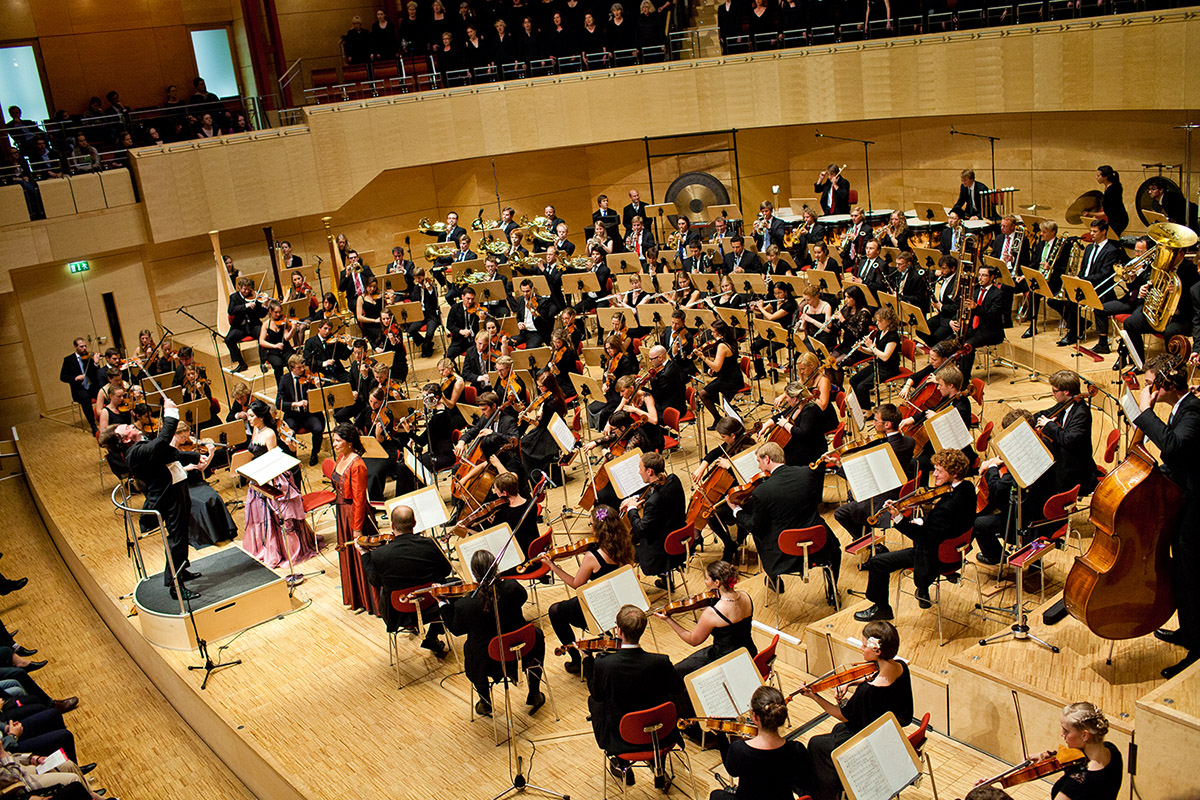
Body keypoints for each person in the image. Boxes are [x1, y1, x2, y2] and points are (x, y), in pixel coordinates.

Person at [98, 399, 211, 600]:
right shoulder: (136, 453)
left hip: (176, 488)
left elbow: (169, 453)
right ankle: (176, 586)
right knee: (177, 538)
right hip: (169, 496)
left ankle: (180, 570)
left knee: (180, 534)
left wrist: (194, 456)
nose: (131, 424)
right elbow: (162, 442)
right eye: (127, 427)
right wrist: (170, 414)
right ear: (124, 439)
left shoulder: (140, 447)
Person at [1134, 354, 1200, 679]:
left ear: (1167, 385)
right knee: (1184, 574)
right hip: (1184, 501)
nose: (1147, 390)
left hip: (1196, 510)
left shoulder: (1194, 411)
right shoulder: (1181, 408)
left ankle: (1197, 646)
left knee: (1193, 576)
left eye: (1150, 385)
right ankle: (1188, 631)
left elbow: (1174, 447)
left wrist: (1145, 412)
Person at [854, 448, 975, 621]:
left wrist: (898, 517)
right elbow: (950, 522)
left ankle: (882, 608)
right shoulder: (968, 488)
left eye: (939, 471)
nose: (934, 475)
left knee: (877, 562)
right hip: (957, 551)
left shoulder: (947, 507)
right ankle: (923, 590)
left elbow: (921, 537)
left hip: (934, 558)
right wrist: (925, 520)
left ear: (954, 473)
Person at [799, 621, 913, 800]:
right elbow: (876, 680)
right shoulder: (900, 667)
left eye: (864, 644)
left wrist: (814, 696)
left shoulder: (867, 692)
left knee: (816, 744)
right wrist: (850, 681)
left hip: (866, 740)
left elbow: (840, 714)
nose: (861, 647)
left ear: (877, 650)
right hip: (886, 732)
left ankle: (828, 793)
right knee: (835, 733)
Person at [588, 605, 688, 786]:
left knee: (595, 702)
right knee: (666, 699)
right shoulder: (661, 661)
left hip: (623, 738)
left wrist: (587, 660)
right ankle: (659, 767)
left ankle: (620, 761)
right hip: (660, 733)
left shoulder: (604, 664)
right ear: (643, 630)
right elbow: (678, 688)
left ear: (618, 630)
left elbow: (597, 694)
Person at [442, 549, 546, 717]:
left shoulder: (465, 605)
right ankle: (534, 692)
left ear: (474, 573)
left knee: (470, 648)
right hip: (523, 652)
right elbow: (523, 598)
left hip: (490, 664)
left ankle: (485, 701)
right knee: (537, 634)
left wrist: (443, 604)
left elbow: (456, 629)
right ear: (496, 567)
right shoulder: (512, 587)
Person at [728, 442, 839, 600]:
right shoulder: (807, 473)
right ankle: (833, 593)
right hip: (819, 545)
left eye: (759, 462)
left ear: (767, 459)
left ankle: (774, 579)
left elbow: (756, 527)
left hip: (785, 554)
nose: (759, 467)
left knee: (759, 535)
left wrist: (736, 510)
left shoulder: (762, 491)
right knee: (834, 546)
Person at [545, 505, 635, 673]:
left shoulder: (592, 557)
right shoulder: (625, 546)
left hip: (598, 609)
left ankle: (577, 659)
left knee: (555, 610)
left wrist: (553, 567)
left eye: (591, 524)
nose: (590, 528)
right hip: (621, 602)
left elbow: (576, 584)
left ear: (599, 529)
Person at [359, 503, 454, 651]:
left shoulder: (380, 554)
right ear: (415, 523)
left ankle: (428, 636)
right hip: (432, 607)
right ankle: (432, 636)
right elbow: (446, 570)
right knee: (450, 584)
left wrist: (365, 555)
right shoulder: (430, 544)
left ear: (391, 525)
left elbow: (374, 582)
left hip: (398, 613)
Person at [240, 400, 319, 570]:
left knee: (277, 516)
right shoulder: (255, 429)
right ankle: (267, 547)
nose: (249, 418)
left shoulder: (269, 434)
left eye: (252, 416)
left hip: (271, 477)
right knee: (260, 516)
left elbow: (273, 459)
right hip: (257, 476)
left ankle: (285, 550)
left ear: (261, 417)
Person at [974, 409, 1058, 566]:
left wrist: (992, 466)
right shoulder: (1045, 444)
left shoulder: (1021, 458)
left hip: (1027, 518)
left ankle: (995, 557)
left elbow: (997, 490)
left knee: (979, 522)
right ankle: (1033, 559)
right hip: (1047, 508)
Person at [708, 685, 814, 800]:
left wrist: (721, 737)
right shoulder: (796, 749)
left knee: (715, 795)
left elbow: (732, 770)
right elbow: (805, 783)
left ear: (754, 716)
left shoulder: (739, 749)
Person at [831, 404, 916, 544]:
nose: (874, 424)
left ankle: (869, 544)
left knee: (840, 513)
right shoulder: (909, 441)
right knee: (852, 496)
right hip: (901, 490)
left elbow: (863, 478)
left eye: (876, 421)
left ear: (887, 424)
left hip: (883, 499)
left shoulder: (883, 451)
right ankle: (866, 533)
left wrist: (840, 465)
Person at [658, 560, 756, 678]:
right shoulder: (745, 596)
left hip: (724, 660)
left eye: (707, 579)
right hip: (748, 653)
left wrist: (668, 620)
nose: (705, 582)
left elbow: (693, 640)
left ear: (717, 582)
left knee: (677, 673)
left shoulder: (712, 613)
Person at [331, 423, 380, 615]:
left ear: (349, 442)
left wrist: (357, 528)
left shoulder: (357, 465)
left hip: (354, 514)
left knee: (361, 556)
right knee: (348, 557)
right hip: (343, 513)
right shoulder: (342, 456)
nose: (334, 444)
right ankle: (356, 596)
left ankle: (371, 601)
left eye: (337, 441)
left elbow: (360, 499)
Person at [618, 453, 685, 587]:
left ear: (649, 471)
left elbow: (641, 530)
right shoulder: (673, 479)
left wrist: (632, 509)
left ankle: (628, 589)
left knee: (621, 550)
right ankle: (666, 580)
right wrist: (636, 499)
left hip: (659, 554)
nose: (638, 472)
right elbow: (655, 491)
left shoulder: (654, 502)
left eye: (640, 469)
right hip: (678, 541)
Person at [170, 421, 237, 548]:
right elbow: (168, 473)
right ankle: (209, 536)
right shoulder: (168, 451)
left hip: (197, 481)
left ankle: (223, 532)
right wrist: (186, 469)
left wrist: (211, 454)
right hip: (183, 486)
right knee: (202, 502)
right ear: (174, 434)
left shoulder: (187, 446)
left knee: (214, 497)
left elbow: (201, 468)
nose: (186, 439)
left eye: (187, 436)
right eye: (183, 437)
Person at [1040, 702, 1122, 800]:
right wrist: (1052, 756)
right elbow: (1079, 757)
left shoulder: (1078, 781)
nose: (1062, 734)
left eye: (1066, 730)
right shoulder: (1112, 750)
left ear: (1085, 735)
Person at [1035, 370, 1097, 497]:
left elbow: (1068, 439)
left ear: (1066, 392)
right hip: (1065, 458)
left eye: (1055, 391)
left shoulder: (1081, 413)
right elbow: (1045, 413)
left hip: (1075, 467)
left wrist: (1048, 425)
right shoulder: (1065, 404)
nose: (1052, 394)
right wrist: (1028, 418)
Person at [950, 263, 1004, 381]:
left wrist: (976, 307)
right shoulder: (974, 291)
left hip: (991, 331)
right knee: (951, 340)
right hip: (975, 329)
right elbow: (962, 308)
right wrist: (953, 320)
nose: (980, 278)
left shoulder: (998, 294)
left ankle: (963, 379)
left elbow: (993, 316)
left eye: (984, 275)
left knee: (967, 345)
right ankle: (952, 374)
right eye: (979, 275)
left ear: (992, 277)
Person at [276, 354, 325, 466]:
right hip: (293, 415)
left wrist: (318, 388)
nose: (302, 370)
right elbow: (279, 403)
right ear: (291, 368)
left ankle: (314, 453)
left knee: (318, 428)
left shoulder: (309, 377)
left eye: (303, 366)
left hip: (309, 414)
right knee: (288, 433)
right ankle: (293, 457)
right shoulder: (284, 380)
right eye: (299, 368)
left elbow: (320, 399)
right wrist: (295, 404)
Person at [849, 305, 901, 409]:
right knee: (854, 380)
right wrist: (862, 349)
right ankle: (862, 405)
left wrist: (871, 346)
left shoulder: (893, 336)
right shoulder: (880, 332)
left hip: (889, 369)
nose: (877, 323)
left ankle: (868, 411)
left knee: (862, 387)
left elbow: (885, 356)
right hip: (878, 365)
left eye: (879, 321)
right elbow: (874, 352)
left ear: (888, 322)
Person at [520, 370, 568, 481]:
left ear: (548, 386)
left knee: (524, 447)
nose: (539, 389)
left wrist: (528, 419)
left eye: (541, 386)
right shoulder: (556, 394)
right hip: (552, 426)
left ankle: (535, 477)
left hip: (550, 432)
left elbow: (542, 424)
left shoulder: (551, 403)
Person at [696, 319, 745, 425]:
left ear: (719, 332)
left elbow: (717, 367)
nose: (712, 334)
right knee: (707, 394)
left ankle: (723, 417)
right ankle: (728, 414)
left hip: (730, 380)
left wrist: (702, 357)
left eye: (713, 331)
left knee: (704, 394)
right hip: (730, 376)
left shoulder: (722, 346)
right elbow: (726, 363)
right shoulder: (730, 340)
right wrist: (712, 369)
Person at [60, 338, 101, 433]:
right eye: (81, 346)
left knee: (105, 393)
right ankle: (93, 425)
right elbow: (63, 377)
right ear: (75, 347)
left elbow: (96, 373)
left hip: (91, 387)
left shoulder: (89, 358)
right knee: (85, 397)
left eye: (85, 346)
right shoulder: (69, 360)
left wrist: (95, 363)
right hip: (79, 389)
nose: (85, 348)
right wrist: (75, 378)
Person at [1094, 165, 1129, 236]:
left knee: (1112, 240)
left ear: (1105, 177)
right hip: (1116, 218)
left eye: (1098, 176)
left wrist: (1090, 214)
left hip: (1118, 220)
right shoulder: (1112, 186)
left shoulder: (1112, 190)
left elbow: (1108, 212)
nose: (1096, 178)